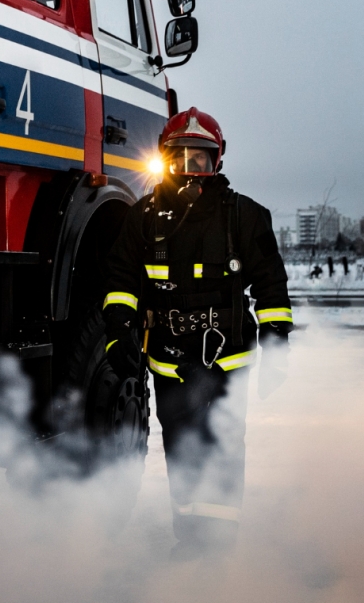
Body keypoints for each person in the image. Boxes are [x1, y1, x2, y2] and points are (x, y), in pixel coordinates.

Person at [101, 107, 292, 558]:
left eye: (200, 160)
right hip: (168, 357)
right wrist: (116, 331)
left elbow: (271, 283)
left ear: (217, 162)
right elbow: (121, 279)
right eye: (179, 158)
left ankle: (219, 544)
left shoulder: (245, 216)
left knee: (223, 443)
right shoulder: (143, 217)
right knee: (181, 445)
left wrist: (278, 340)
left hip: (227, 357)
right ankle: (189, 537)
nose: (190, 169)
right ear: (164, 160)